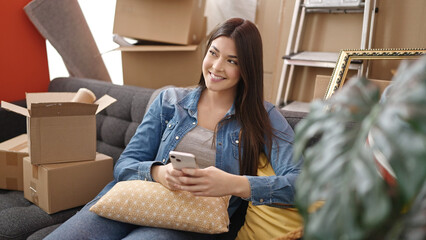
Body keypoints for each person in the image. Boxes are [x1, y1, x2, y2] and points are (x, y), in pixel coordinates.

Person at [46, 17, 303, 240]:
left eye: (231, 61)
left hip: (193, 222)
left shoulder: (264, 116)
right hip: (135, 201)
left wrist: (235, 184)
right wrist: (158, 172)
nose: (216, 67)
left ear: (247, 68)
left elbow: (302, 184)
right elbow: (125, 164)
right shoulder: (170, 101)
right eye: (213, 53)